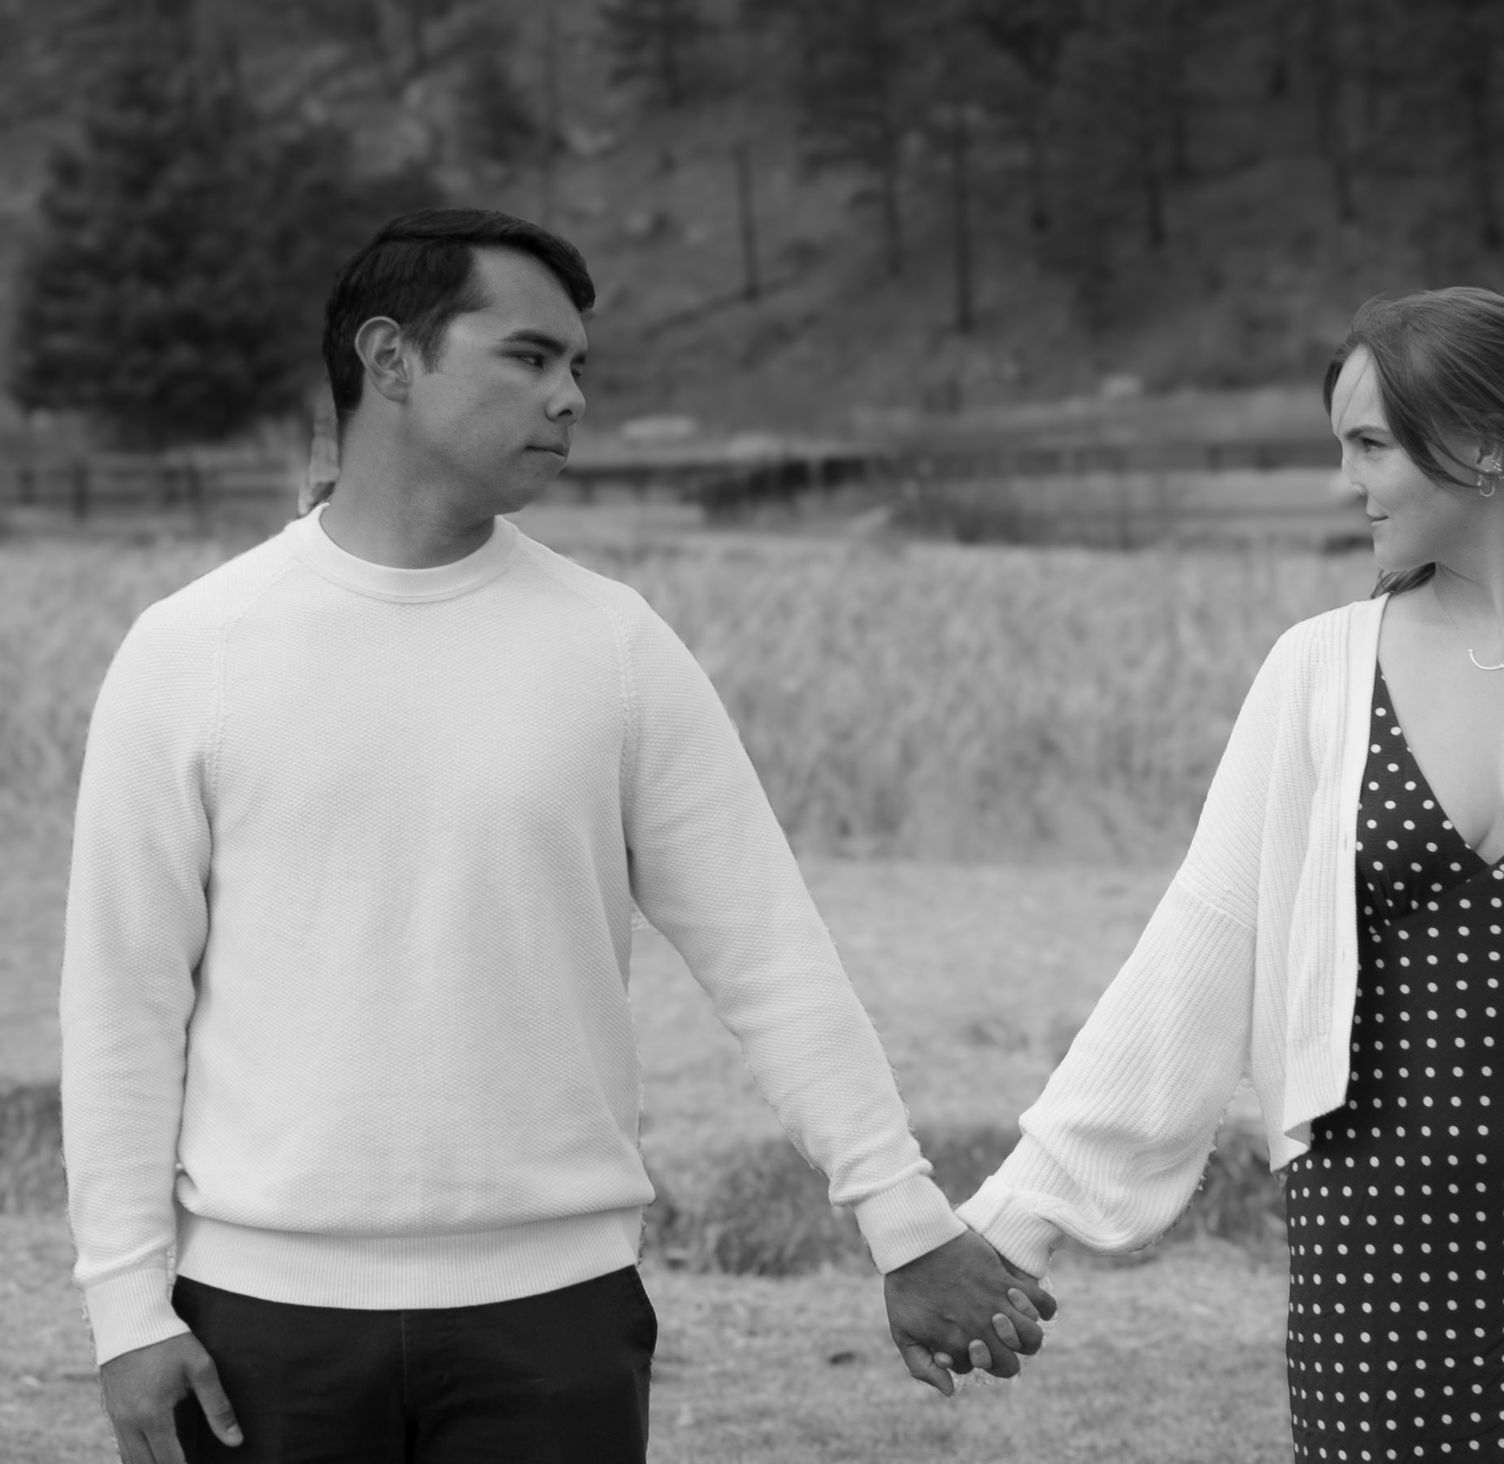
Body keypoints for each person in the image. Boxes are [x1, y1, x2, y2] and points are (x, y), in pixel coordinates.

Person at [60, 207, 1051, 1464]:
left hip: (554, 1326)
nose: (570, 397)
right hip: (258, 1330)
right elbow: (122, 1005)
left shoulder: (615, 649)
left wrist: (905, 1223)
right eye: (529, 358)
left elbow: (771, 957)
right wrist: (123, 1309)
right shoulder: (190, 653)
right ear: (391, 358)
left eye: (579, 367)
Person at [956, 286, 1504, 1464]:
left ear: (1480, 446)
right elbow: (1199, 950)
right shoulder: (1317, 671)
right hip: (1377, 1259)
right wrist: (1016, 1218)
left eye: (1368, 446)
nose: (1345, 482)